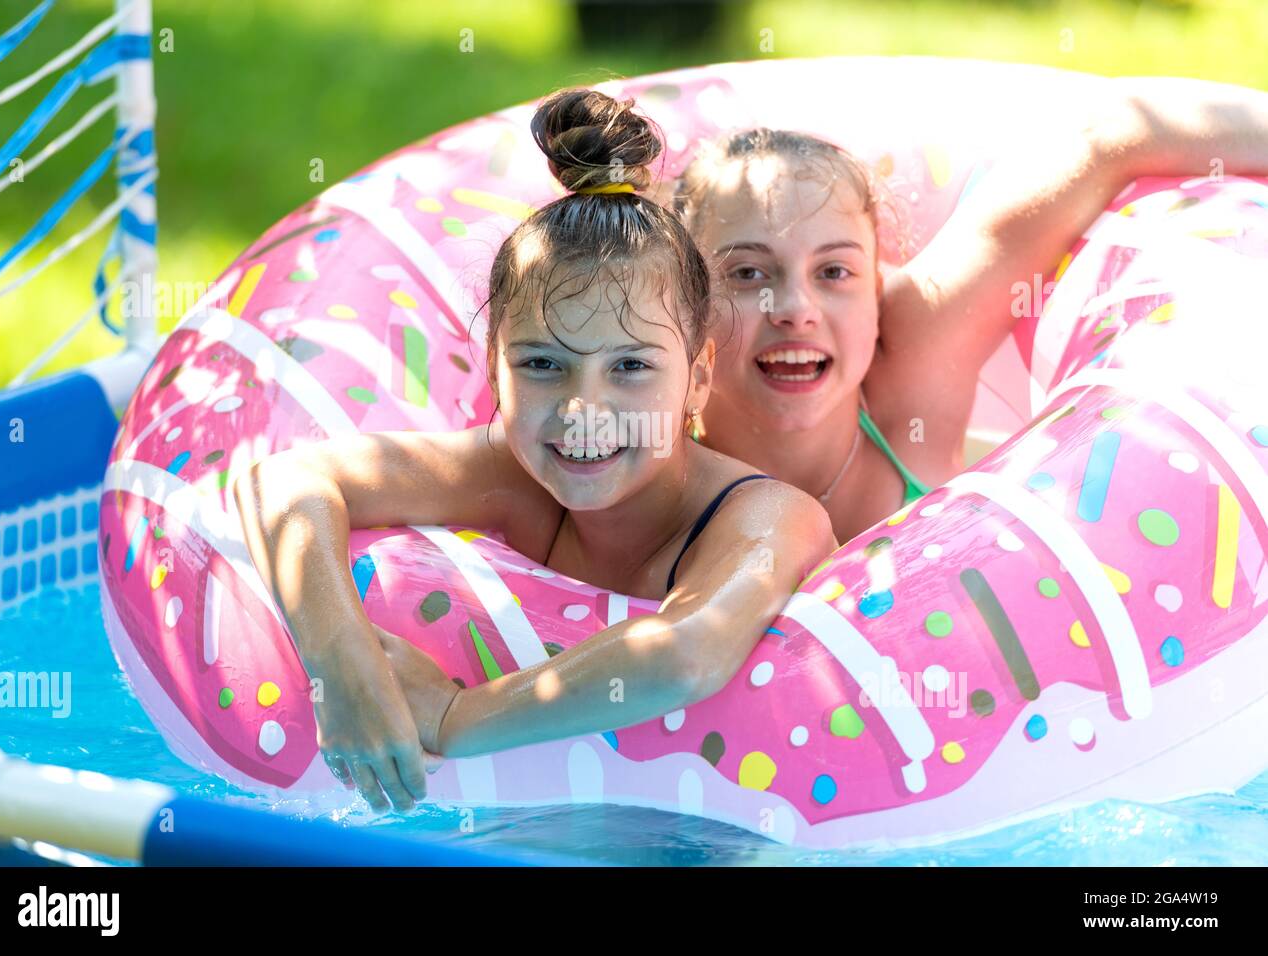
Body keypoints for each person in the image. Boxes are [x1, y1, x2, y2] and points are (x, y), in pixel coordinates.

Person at [232, 88, 835, 815]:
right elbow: (281, 481)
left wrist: (455, 717)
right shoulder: (512, 474)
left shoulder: (768, 516)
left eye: (631, 367)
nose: (583, 411)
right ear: (493, 370)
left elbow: (684, 653)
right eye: (543, 365)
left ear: (698, 377)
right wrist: (341, 661)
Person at [669, 77, 1268, 545]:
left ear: (877, 288)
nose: (796, 309)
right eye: (747, 273)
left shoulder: (912, 361)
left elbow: (1110, 136)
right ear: (683, 298)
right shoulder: (648, 446)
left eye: (834, 272)